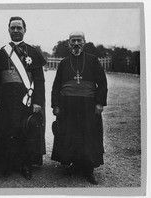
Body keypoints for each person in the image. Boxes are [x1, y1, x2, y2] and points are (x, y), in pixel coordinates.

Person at [0, 16, 46, 180]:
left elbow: (40, 81)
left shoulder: (33, 52)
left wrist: (37, 102)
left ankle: (25, 165)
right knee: (6, 132)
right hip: (5, 101)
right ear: (8, 30)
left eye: (18, 28)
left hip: (26, 102)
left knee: (25, 132)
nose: (15, 31)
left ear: (24, 30)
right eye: (12, 28)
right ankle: (6, 165)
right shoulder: (1, 53)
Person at [51, 31, 108, 185]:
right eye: (73, 41)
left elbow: (102, 83)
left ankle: (88, 169)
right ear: (69, 43)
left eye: (79, 40)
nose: (76, 44)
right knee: (71, 135)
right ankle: (75, 165)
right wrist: (55, 104)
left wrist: (99, 103)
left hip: (88, 105)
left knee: (88, 136)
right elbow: (56, 85)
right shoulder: (64, 63)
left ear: (84, 42)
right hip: (67, 105)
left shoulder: (93, 60)